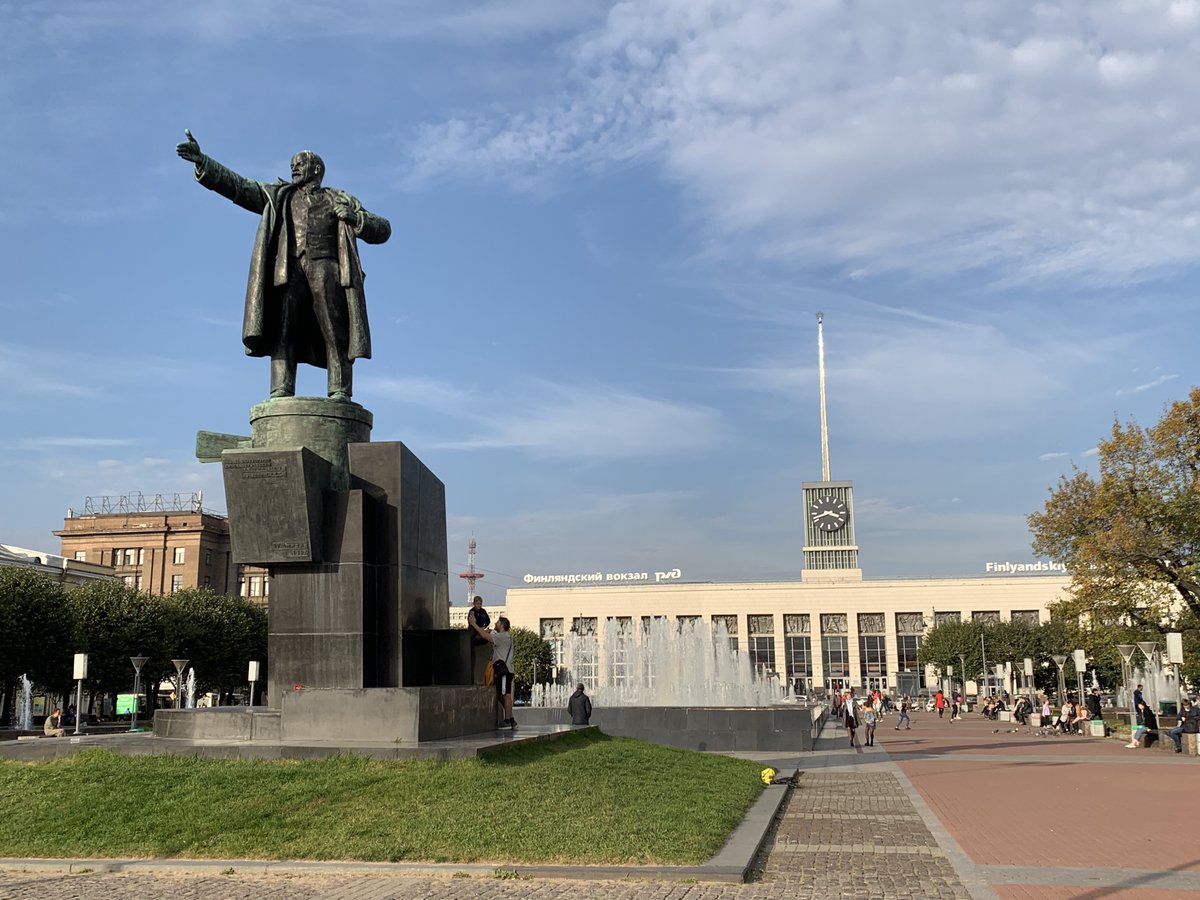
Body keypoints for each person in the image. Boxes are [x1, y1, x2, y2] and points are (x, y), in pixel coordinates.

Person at [176, 131, 391, 401]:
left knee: (335, 331)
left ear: (316, 169)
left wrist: (355, 218)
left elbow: (383, 230)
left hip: (328, 269)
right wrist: (203, 162)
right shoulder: (279, 196)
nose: (294, 167)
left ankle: (340, 390)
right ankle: (281, 387)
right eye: (292, 164)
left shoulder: (338, 198)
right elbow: (239, 187)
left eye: (300, 163)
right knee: (283, 328)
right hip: (288, 271)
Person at [472, 615, 516, 728]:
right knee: (501, 693)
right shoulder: (506, 637)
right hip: (506, 670)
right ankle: (510, 718)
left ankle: (507, 721)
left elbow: (484, 636)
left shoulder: (502, 637)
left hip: (504, 671)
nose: (495, 624)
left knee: (505, 694)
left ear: (502, 625)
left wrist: (473, 624)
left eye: (497, 622)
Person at [467, 595, 491, 684]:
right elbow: (472, 622)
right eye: (477, 604)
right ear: (474, 604)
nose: (479, 605)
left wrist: (484, 627)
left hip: (481, 630)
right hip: (474, 632)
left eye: (480, 604)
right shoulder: (472, 612)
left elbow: (488, 620)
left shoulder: (483, 611)